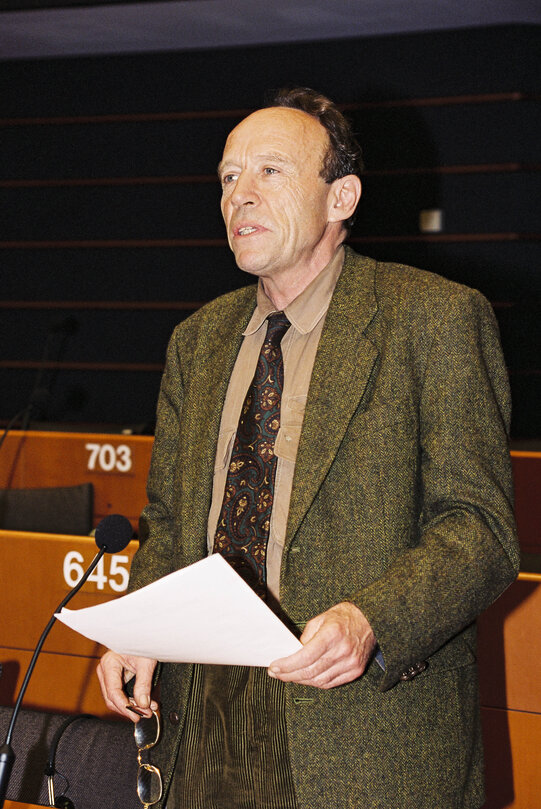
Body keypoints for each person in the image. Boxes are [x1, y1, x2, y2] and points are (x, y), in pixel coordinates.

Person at [97, 87, 519, 809]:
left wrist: (370, 619)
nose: (241, 196)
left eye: (269, 172)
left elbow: (478, 529)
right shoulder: (196, 342)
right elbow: (168, 525)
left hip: (361, 722)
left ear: (340, 197)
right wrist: (140, 624)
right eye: (228, 178)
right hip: (206, 712)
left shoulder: (434, 319)